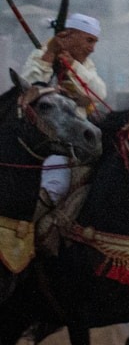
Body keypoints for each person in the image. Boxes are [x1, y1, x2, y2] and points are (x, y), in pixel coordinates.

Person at [22, 13, 107, 213]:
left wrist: (73, 67)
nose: (92, 48)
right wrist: (49, 56)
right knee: (56, 187)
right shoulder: (41, 54)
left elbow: (99, 92)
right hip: (47, 138)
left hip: (76, 138)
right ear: (69, 35)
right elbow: (29, 87)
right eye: (89, 40)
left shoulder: (84, 64)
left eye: (94, 42)